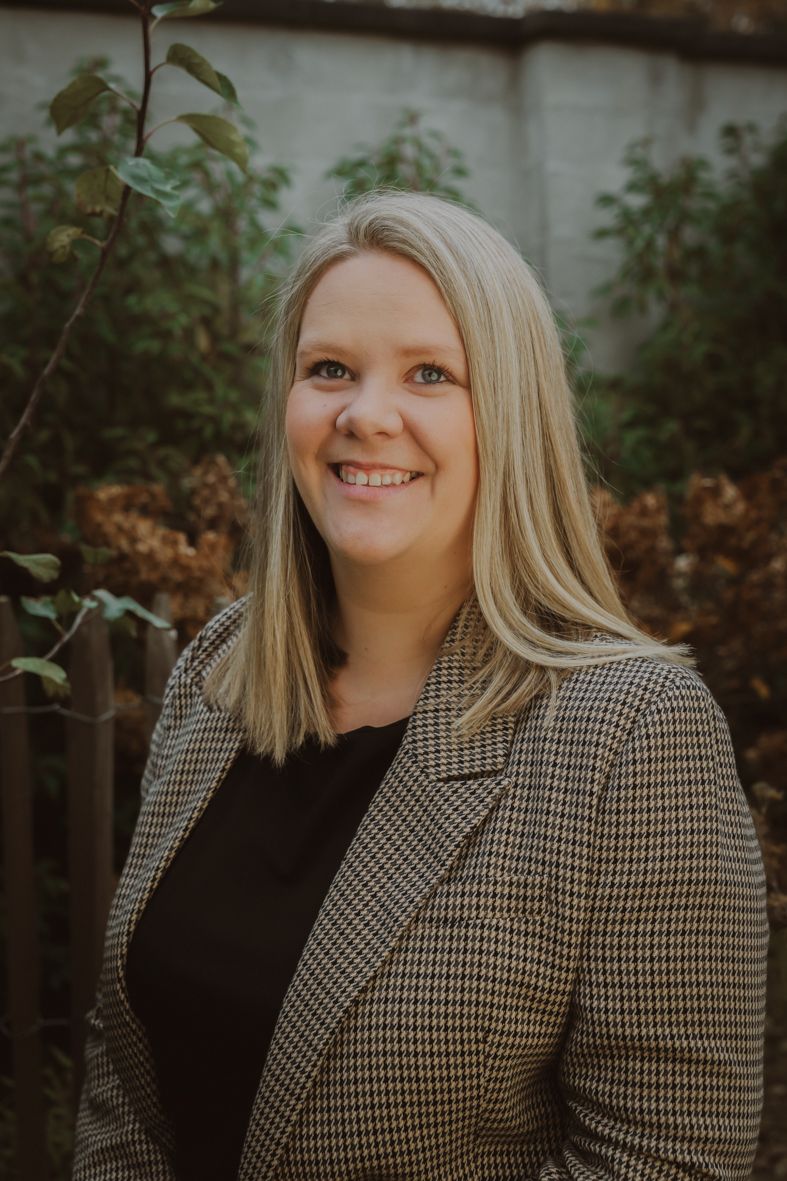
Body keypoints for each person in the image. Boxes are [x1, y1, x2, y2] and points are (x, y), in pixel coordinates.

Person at [72, 190, 768, 1181]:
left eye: (430, 372)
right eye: (328, 370)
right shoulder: (220, 670)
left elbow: (661, 1156)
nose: (365, 414)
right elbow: (124, 1081)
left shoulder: (633, 732)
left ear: (510, 414)